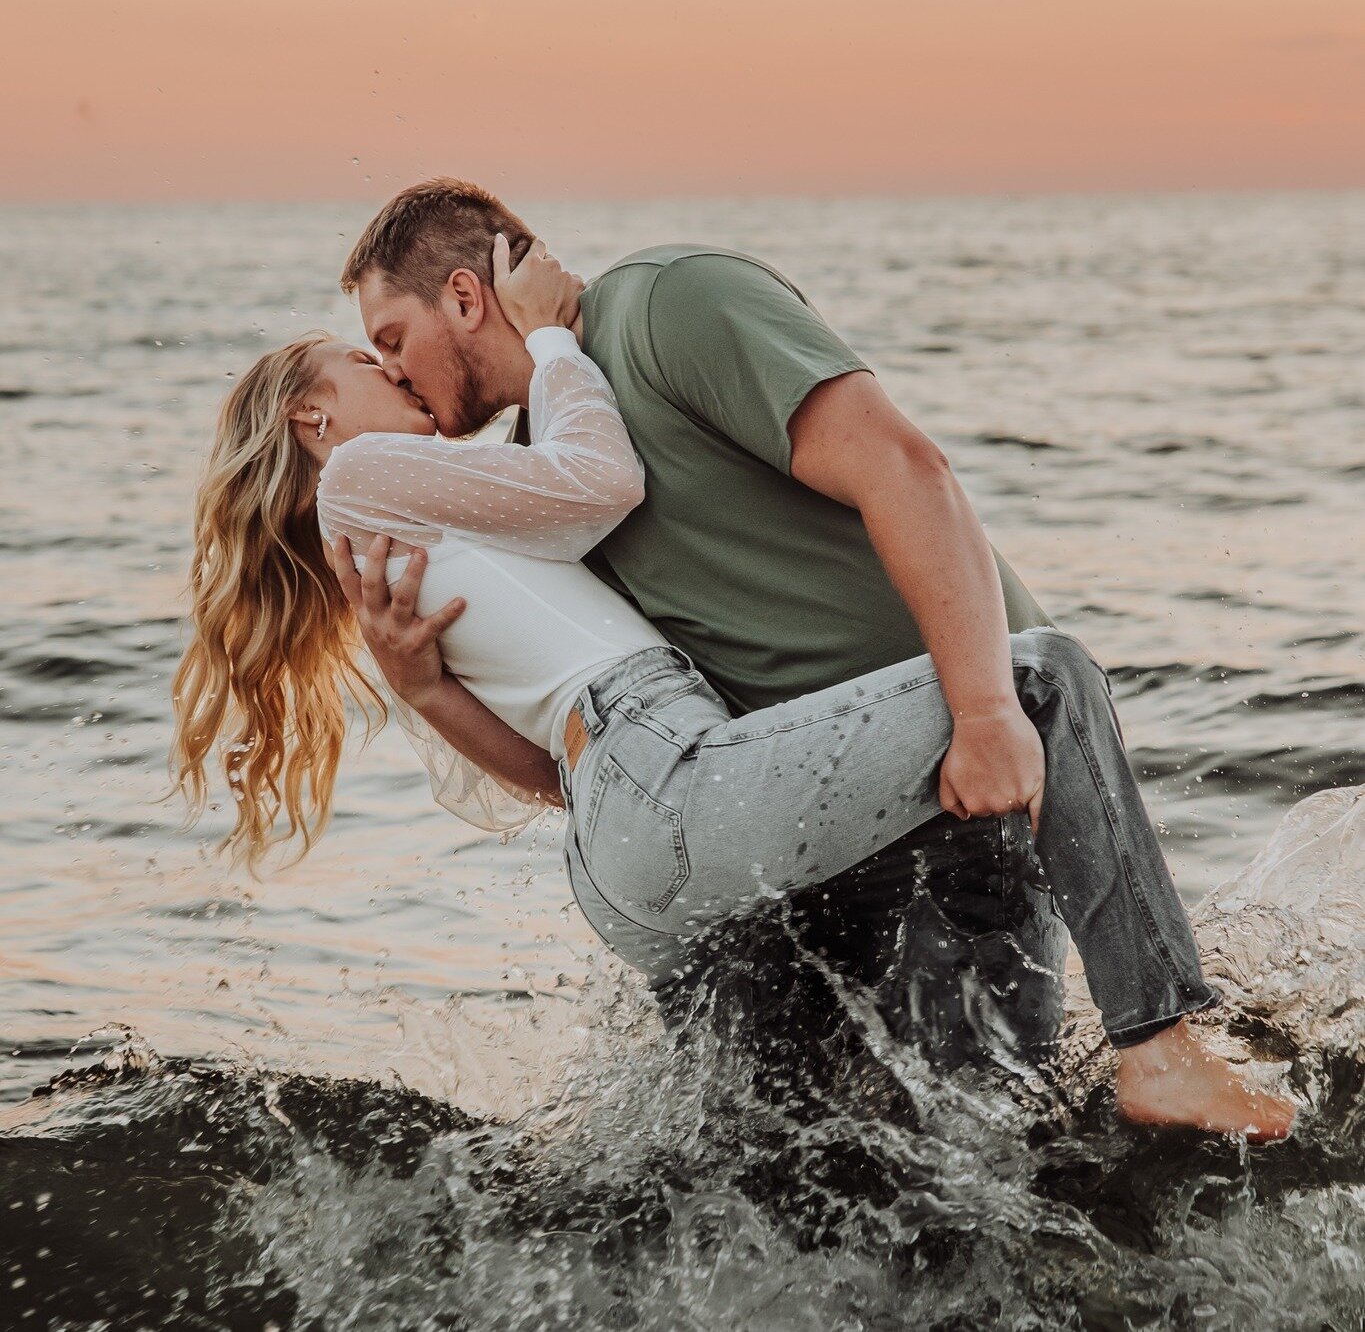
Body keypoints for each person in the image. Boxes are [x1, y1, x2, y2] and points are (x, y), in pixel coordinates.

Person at [171, 217, 1295, 1138]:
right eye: (369, 355)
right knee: (1042, 677)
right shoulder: (371, 472)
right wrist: (557, 341)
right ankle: (1164, 1049)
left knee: (810, 1162)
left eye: (388, 338)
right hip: (665, 775)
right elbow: (600, 482)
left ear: (468, 298)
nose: (393, 371)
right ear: (314, 419)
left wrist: (421, 693)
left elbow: (557, 769)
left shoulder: (450, 510)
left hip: (630, 833)